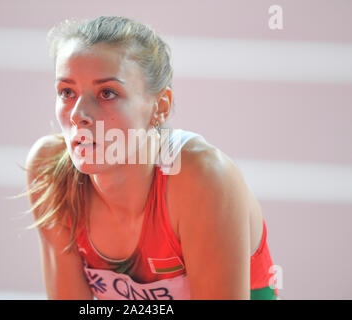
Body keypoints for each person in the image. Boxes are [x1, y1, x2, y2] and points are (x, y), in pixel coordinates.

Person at [21, 16, 279, 300]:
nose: (78, 114)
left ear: (160, 107)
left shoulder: (201, 177)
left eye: (107, 93)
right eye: (67, 92)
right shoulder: (50, 170)